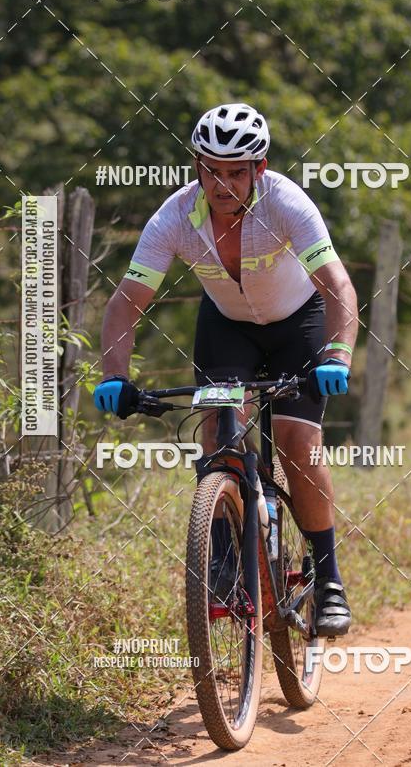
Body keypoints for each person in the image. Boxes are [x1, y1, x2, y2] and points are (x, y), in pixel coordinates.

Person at [93, 102, 358, 636]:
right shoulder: (173, 217)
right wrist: (114, 376)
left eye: (237, 171)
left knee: (294, 440)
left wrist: (336, 355)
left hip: (299, 322)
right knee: (217, 425)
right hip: (228, 325)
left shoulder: (287, 203)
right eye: (212, 170)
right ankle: (222, 552)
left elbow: (338, 287)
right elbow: (125, 304)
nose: (224, 183)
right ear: (196, 166)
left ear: (259, 169)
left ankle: (328, 579)